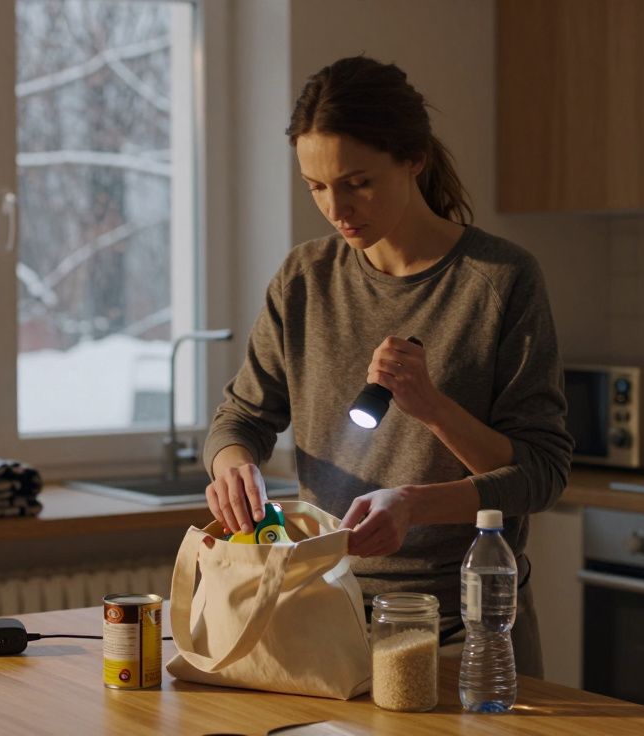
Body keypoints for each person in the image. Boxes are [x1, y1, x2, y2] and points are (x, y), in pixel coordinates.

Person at [201, 55, 573, 677]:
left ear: (413, 159)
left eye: (357, 182)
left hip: (464, 630)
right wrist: (232, 464)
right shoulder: (304, 279)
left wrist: (430, 423)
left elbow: (540, 476)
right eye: (316, 187)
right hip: (322, 612)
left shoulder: (499, 282)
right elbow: (240, 416)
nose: (337, 208)